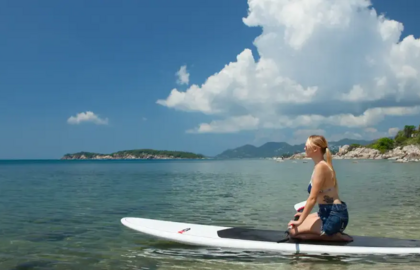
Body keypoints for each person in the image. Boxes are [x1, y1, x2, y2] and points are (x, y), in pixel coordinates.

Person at [287, 135, 353, 242]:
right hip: (327, 212)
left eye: (306, 146)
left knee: (292, 232)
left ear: (315, 149)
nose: (304, 148)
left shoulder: (321, 167)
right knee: (295, 222)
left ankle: (334, 236)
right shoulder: (320, 165)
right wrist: (303, 215)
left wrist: (300, 222)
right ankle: (330, 232)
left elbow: (312, 199)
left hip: (333, 215)